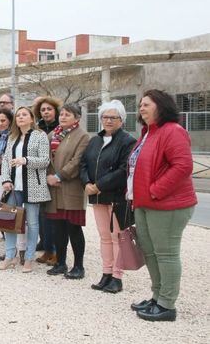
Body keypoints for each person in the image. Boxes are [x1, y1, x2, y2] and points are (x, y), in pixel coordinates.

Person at [129, 90, 196, 322]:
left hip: (167, 205)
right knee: (150, 252)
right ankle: (157, 297)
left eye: (146, 104)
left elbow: (183, 166)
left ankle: (167, 304)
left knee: (165, 254)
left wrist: (155, 191)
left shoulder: (173, 131)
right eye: (140, 105)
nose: (141, 108)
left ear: (161, 106)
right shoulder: (148, 133)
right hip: (145, 204)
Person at [80, 99, 137, 294]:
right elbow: (84, 164)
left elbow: (124, 169)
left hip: (115, 195)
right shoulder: (94, 140)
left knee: (117, 237)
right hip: (97, 197)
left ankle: (117, 277)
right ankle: (106, 273)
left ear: (122, 120)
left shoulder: (127, 141)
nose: (109, 120)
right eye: (105, 117)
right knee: (104, 236)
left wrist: (99, 185)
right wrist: (87, 183)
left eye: (113, 117)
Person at [0, 106, 50, 273]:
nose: (20, 117)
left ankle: (28, 258)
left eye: (24, 114)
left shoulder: (40, 136)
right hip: (13, 186)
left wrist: (25, 160)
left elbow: (45, 161)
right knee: (9, 221)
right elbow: (6, 160)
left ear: (32, 118)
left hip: (33, 185)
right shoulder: (12, 137)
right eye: (18, 115)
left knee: (33, 223)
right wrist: (6, 179)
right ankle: (9, 256)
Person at [45, 104, 91, 279]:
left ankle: (78, 266)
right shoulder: (52, 135)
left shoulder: (83, 136)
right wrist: (50, 176)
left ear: (77, 118)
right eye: (62, 114)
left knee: (74, 228)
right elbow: (46, 158)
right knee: (58, 228)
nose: (63, 117)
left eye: (68, 114)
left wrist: (59, 176)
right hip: (54, 188)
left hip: (71, 187)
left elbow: (77, 161)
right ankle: (60, 262)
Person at [33, 96, 62, 265]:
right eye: (43, 110)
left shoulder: (61, 129)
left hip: (55, 176)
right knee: (41, 214)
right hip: (39, 175)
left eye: (49, 109)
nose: (46, 112)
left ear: (55, 111)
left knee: (55, 215)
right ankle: (47, 247)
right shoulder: (37, 128)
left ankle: (57, 250)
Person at [0, 108, 21, 261]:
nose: (0, 123)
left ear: (10, 120)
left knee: (15, 213)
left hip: (13, 178)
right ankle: (10, 250)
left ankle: (20, 250)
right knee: (3, 212)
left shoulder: (15, 135)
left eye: (3, 120)